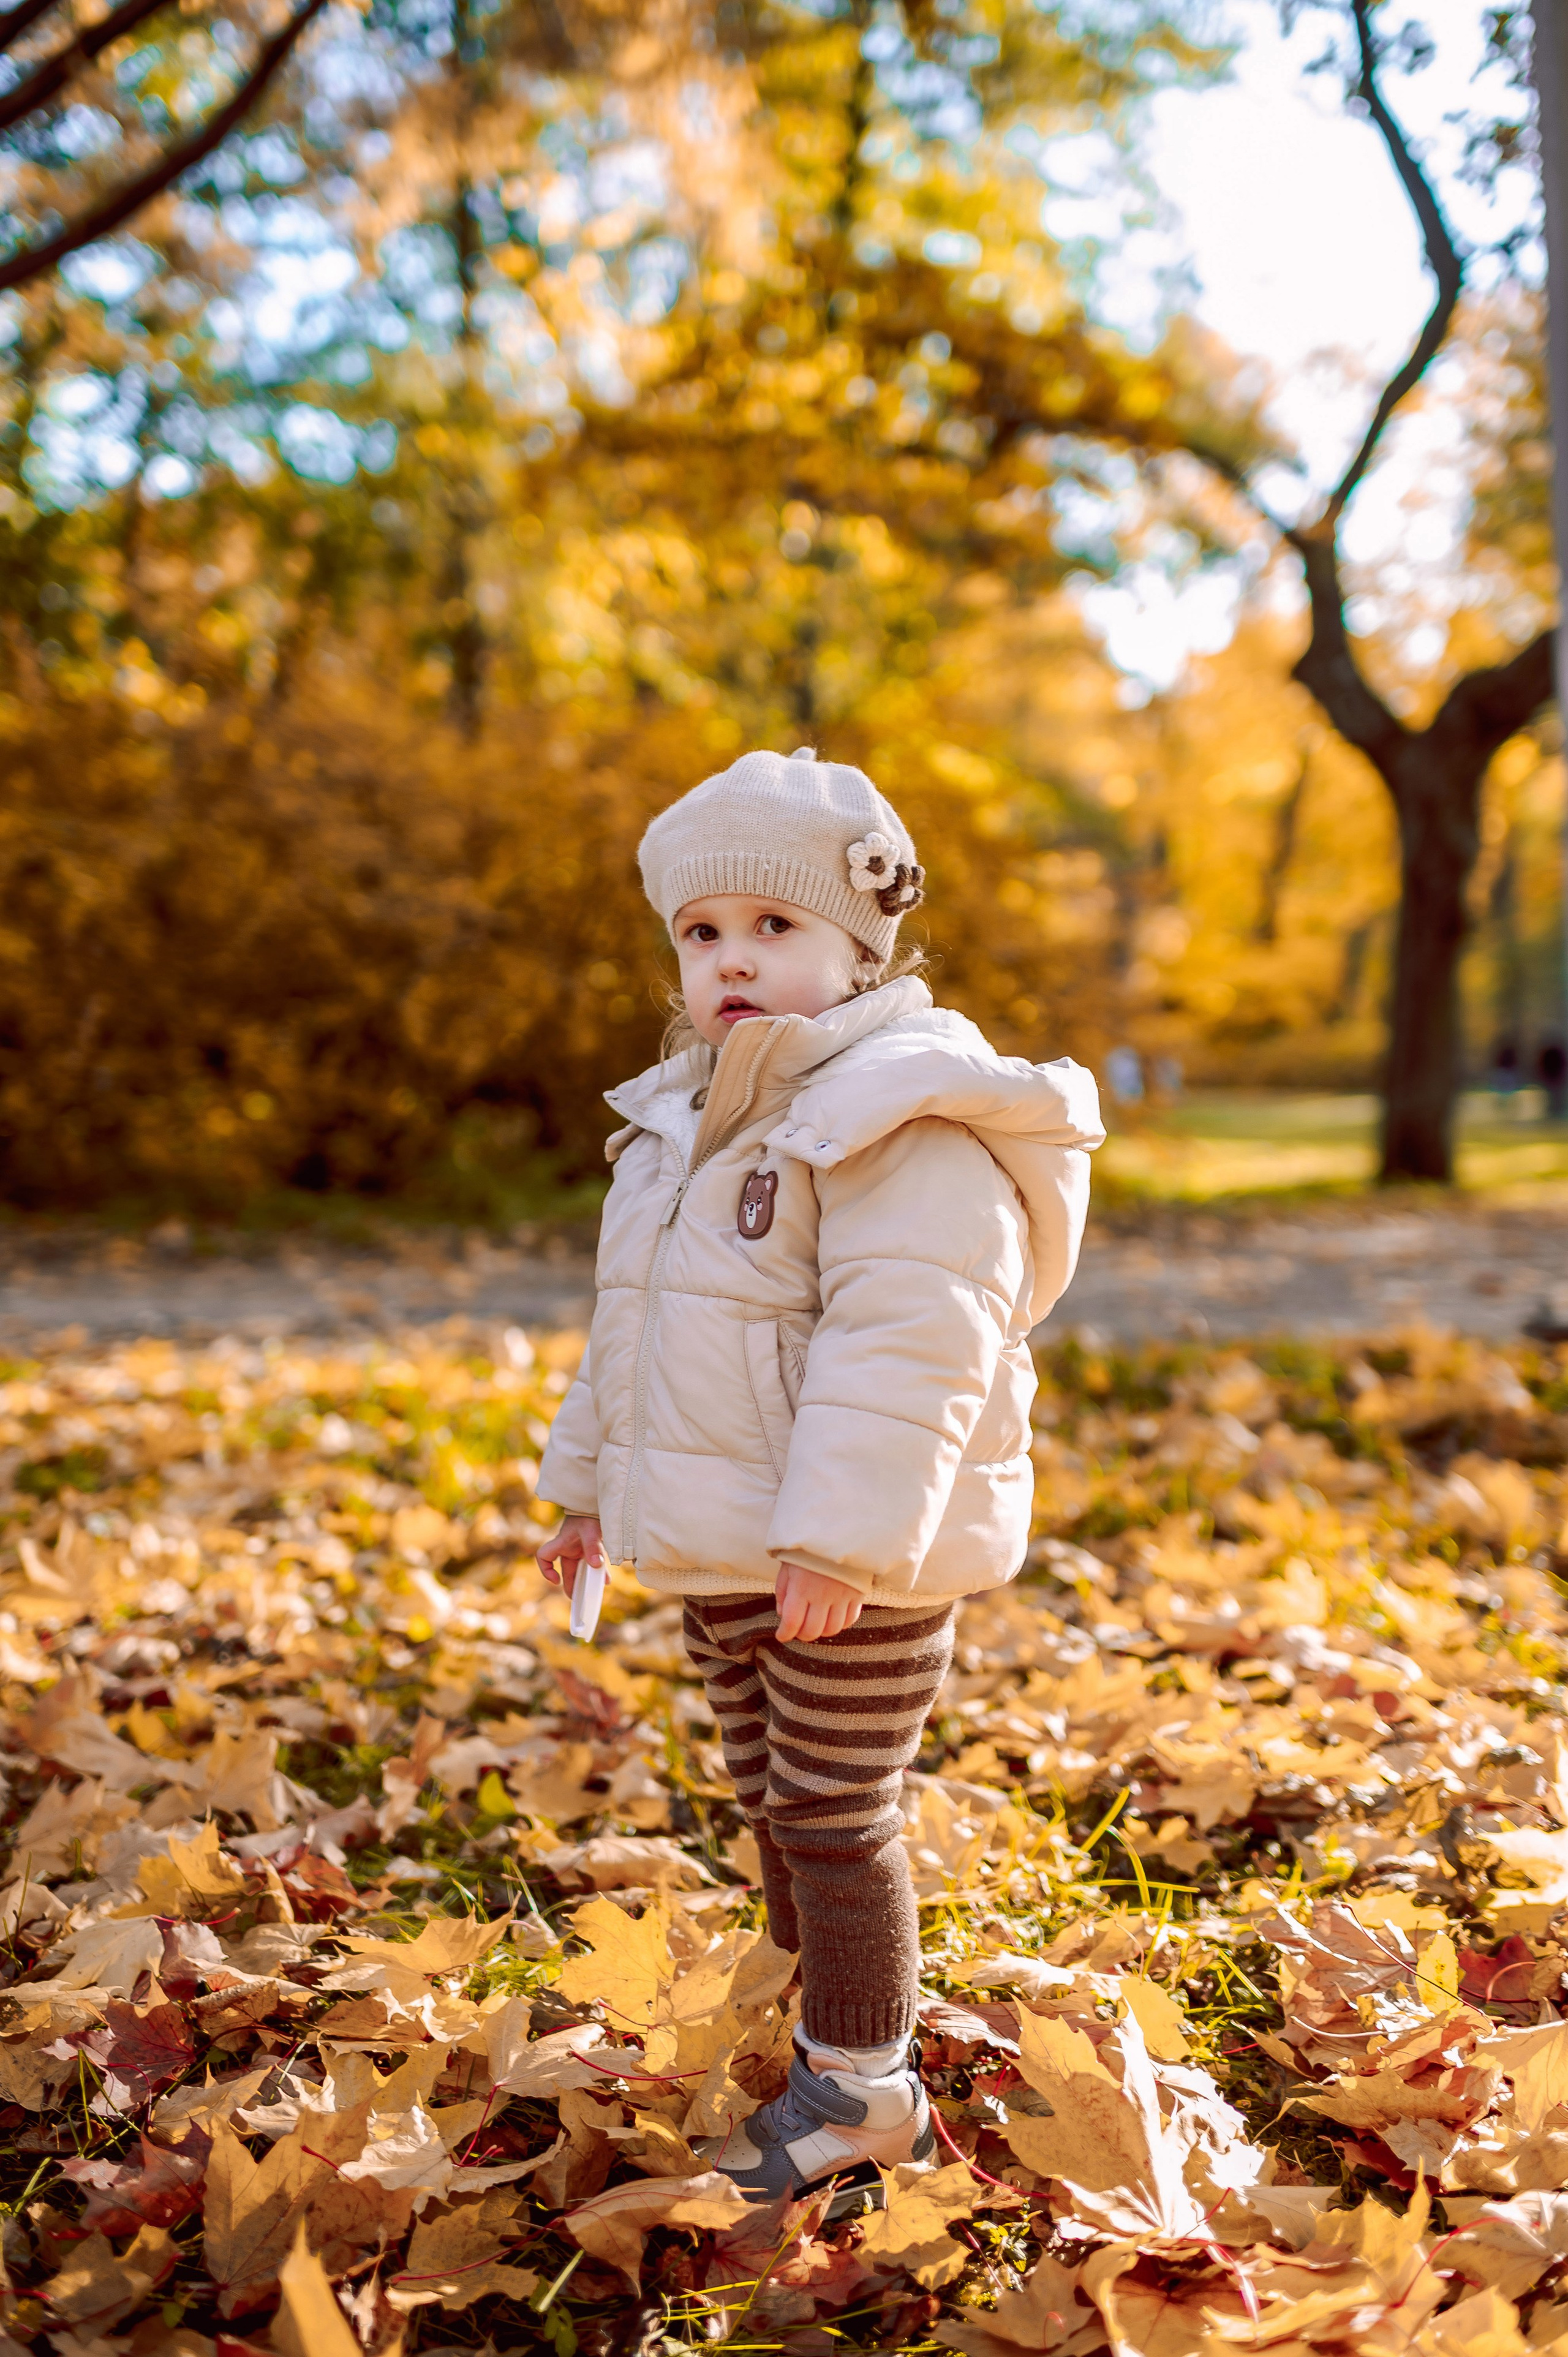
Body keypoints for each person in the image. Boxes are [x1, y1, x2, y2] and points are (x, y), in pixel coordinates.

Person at [535, 746, 1103, 2217]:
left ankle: (861, 2089)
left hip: (853, 1555)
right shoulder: (674, 1124)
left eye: (773, 929)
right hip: (722, 1543)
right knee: (768, 1795)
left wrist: (844, 1540)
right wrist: (585, 1486)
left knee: (836, 1811)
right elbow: (631, 1326)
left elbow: (913, 1339)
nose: (732, 960)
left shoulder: (899, 1112)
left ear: (864, 947)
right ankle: (815, 2017)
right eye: (702, 932)